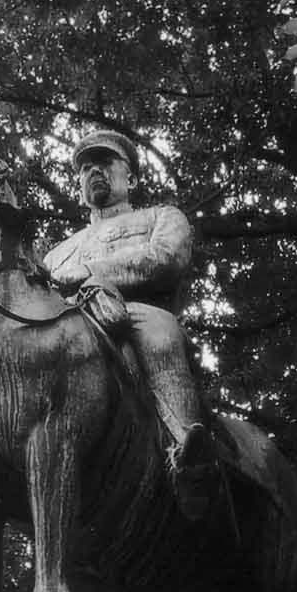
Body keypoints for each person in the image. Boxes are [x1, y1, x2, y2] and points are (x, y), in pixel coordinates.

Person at [43, 129, 214, 519]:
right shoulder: (56, 252)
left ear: (131, 178)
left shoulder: (161, 217)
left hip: (137, 312)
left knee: (160, 333)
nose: (93, 172)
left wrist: (88, 272)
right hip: (69, 324)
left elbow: (165, 258)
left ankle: (188, 456)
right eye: (85, 168)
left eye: (104, 163)